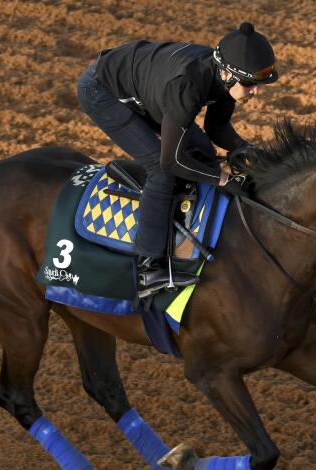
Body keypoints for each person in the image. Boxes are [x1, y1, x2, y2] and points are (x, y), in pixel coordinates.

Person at [76, 22, 278, 296]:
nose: (255, 92)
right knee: (161, 172)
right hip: (103, 92)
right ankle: (148, 267)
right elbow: (170, 161)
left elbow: (217, 128)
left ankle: (179, 219)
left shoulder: (221, 75)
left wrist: (244, 149)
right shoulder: (188, 86)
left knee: (202, 153)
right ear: (227, 73)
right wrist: (223, 178)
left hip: (150, 89)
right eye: (250, 84)